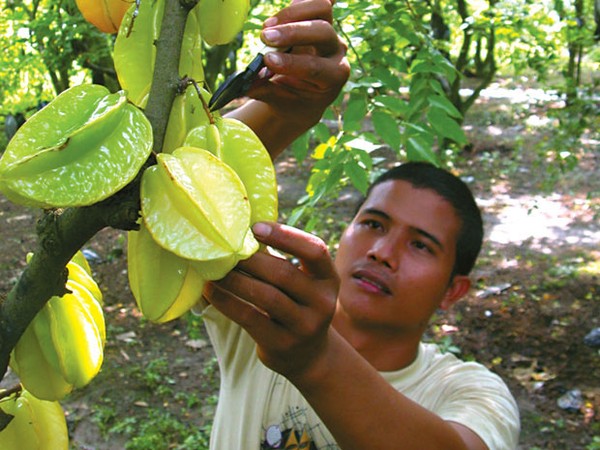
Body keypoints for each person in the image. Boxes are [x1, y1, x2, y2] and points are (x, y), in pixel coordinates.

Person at [199, 1, 521, 449]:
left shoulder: (468, 392)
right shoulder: (267, 312)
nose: (382, 252)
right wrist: (286, 113)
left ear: (453, 291)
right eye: (373, 223)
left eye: (422, 246)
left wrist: (316, 360)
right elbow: (180, 194)